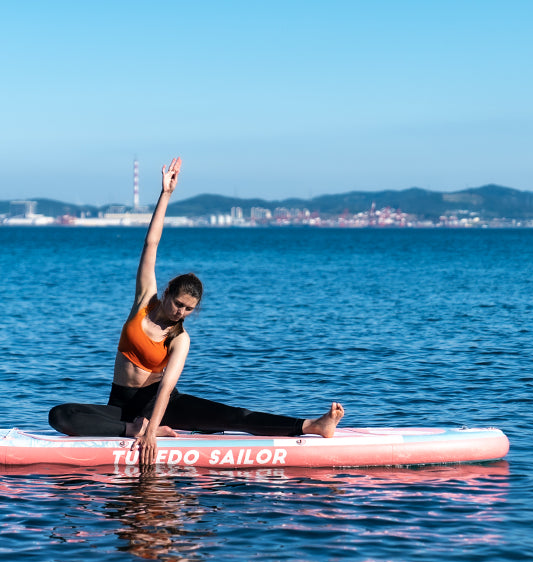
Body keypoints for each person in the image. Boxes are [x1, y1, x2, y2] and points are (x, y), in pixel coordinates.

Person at [48, 157, 344, 468]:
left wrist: (152, 432)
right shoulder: (144, 302)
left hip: (163, 405)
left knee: (235, 417)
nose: (181, 313)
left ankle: (313, 425)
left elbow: (164, 388)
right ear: (166, 294)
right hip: (122, 405)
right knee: (61, 415)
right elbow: (151, 244)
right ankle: (130, 428)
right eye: (178, 304)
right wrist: (166, 195)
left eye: (189, 309)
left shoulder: (180, 339)